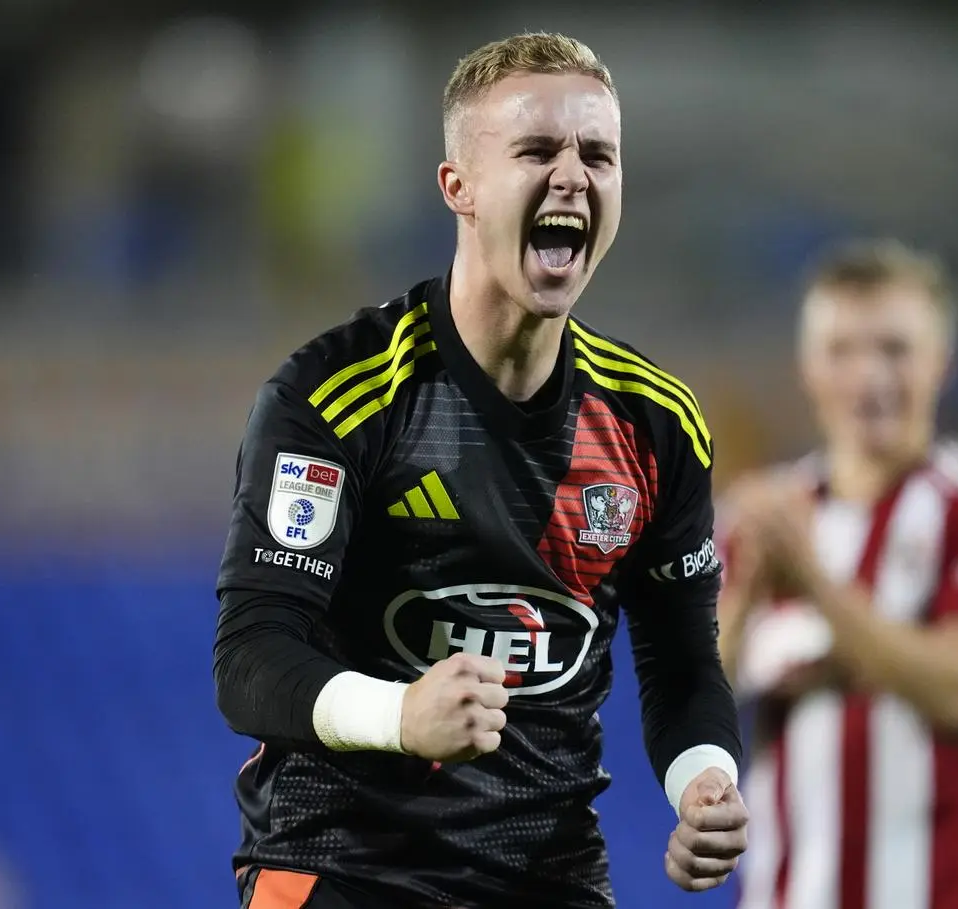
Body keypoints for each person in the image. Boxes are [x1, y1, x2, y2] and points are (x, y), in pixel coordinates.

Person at [213, 32, 747, 909]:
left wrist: (703, 779)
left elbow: (683, 655)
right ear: (457, 188)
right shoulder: (339, 395)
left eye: (598, 155)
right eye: (537, 150)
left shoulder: (657, 423)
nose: (573, 175)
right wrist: (399, 716)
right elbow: (252, 652)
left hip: (548, 875)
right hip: (343, 867)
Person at [717, 239, 958, 909]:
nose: (870, 376)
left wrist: (817, 590)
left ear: (942, 364)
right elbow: (701, 692)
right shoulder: (763, 511)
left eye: (895, 349)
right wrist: (752, 585)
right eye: (842, 350)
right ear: (808, 368)